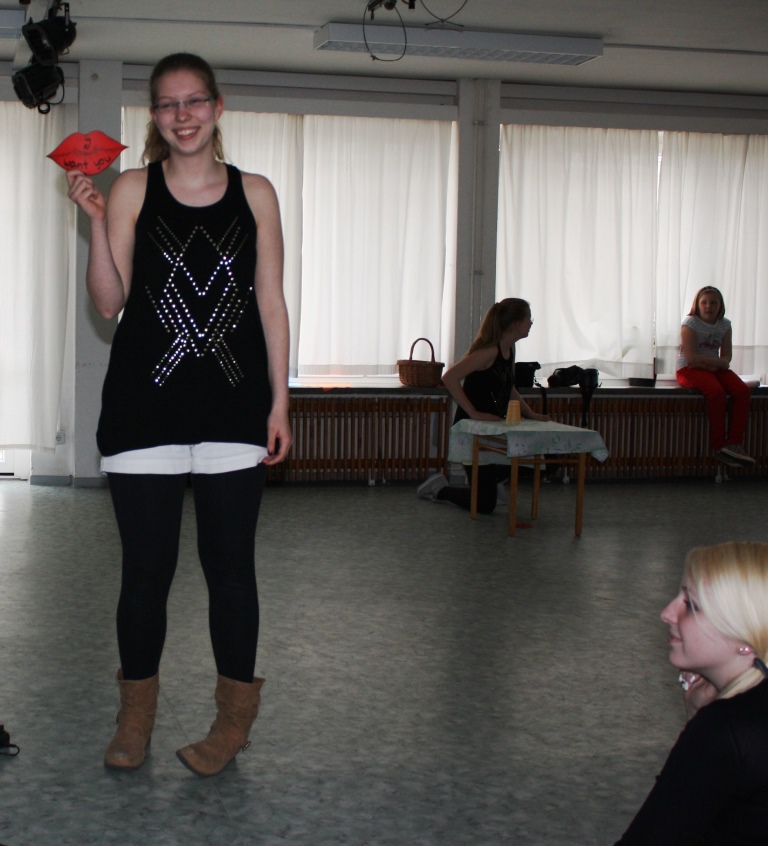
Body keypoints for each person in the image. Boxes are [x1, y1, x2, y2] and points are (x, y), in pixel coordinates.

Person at [66, 53, 292, 776]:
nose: (182, 115)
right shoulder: (132, 187)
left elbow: (270, 301)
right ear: (155, 116)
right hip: (143, 411)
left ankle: (232, 724)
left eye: (195, 101)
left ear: (218, 107)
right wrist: (96, 222)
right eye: (168, 104)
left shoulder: (256, 192)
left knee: (231, 573)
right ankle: (135, 719)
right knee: (145, 574)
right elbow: (109, 302)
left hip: (234, 410)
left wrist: (280, 401)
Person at [615, 541, 768, 845]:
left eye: (691, 605)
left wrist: (702, 727)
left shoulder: (724, 731)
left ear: (745, 638)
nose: (666, 613)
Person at [417, 298, 549, 514]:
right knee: (485, 505)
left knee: (539, 462)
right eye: (529, 318)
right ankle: (440, 489)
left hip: (492, 428)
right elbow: (449, 378)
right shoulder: (489, 352)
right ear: (516, 323)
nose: (531, 323)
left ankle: (493, 481)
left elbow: (509, 388)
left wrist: (532, 414)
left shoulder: (510, 349)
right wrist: (474, 413)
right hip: (472, 431)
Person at [675, 286, 754, 467]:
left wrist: (716, 364)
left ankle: (733, 444)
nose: (708, 306)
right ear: (697, 304)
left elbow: (727, 357)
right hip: (689, 370)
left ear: (720, 305)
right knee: (717, 393)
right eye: (704, 302)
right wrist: (715, 363)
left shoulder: (725, 325)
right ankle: (719, 446)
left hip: (713, 368)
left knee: (742, 391)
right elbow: (691, 358)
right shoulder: (690, 324)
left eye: (713, 303)